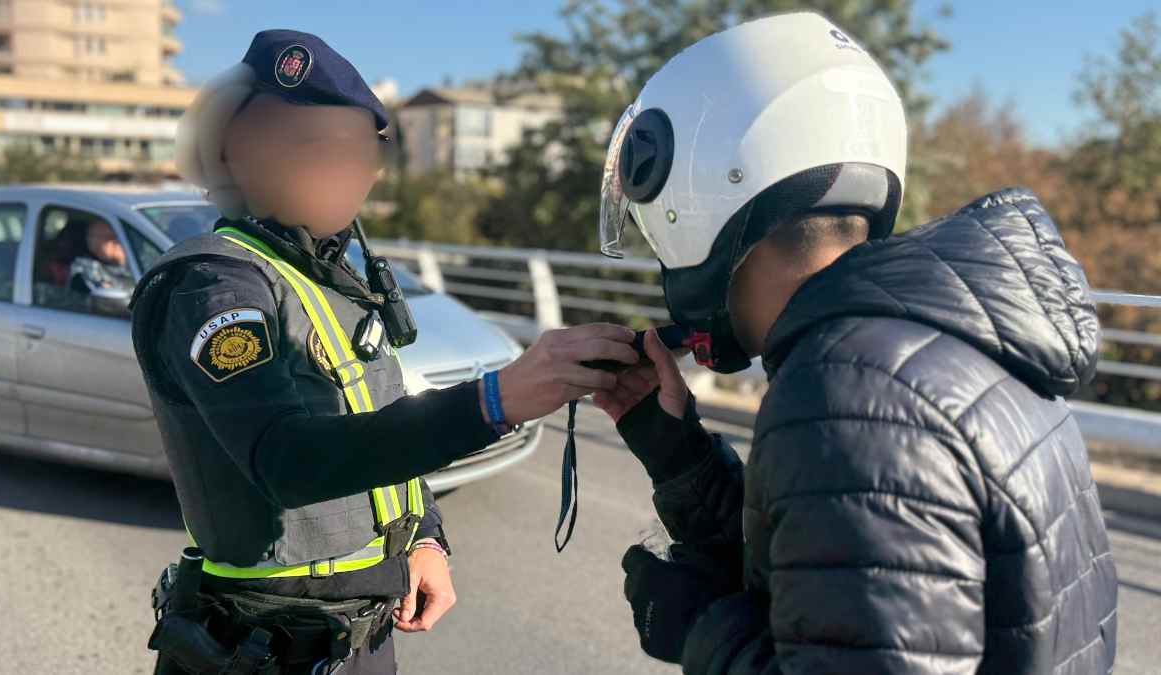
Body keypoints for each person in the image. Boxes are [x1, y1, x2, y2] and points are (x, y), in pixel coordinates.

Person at [594, 12, 1117, 675]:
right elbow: (841, 570)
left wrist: (702, 628)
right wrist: (678, 455)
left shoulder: (845, 394)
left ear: (703, 188)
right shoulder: (942, 345)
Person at [130, 30, 638, 675]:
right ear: (230, 155)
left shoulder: (327, 273)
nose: (345, 169)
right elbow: (286, 461)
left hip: (361, 633)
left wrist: (423, 536)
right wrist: (496, 400)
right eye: (308, 145)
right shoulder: (213, 287)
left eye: (359, 148)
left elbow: (378, 415)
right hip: (262, 645)